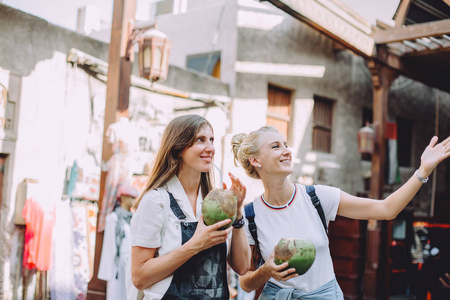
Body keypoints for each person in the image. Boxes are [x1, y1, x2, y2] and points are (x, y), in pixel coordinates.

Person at [231, 126, 450, 299]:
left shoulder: (317, 197)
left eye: (286, 144)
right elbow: (245, 281)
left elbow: (386, 209)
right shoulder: (250, 214)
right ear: (256, 160)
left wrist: (423, 171)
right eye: (276, 146)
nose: (287, 150)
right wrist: (266, 271)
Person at [130, 114, 250, 299]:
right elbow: (139, 277)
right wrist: (195, 245)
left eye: (211, 140)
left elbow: (242, 267)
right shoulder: (156, 201)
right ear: (178, 149)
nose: (210, 148)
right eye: (200, 140)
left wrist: (238, 211)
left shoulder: (215, 202)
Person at [99, 184, 139, 300]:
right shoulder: (113, 218)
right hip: (117, 264)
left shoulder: (133, 218)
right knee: (116, 293)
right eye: (131, 197)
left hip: (130, 262)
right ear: (123, 198)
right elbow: (109, 246)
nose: (133, 200)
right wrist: (108, 271)